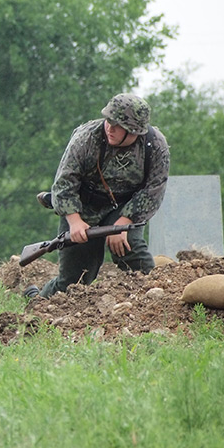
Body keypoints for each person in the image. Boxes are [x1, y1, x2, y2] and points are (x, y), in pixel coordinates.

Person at [29, 93, 169, 298]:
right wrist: (75, 222)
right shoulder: (86, 138)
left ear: (135, 131)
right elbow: (64, 184)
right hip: (83, 207)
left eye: (118, 124)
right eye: (108, 120)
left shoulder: (155, 146)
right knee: (73, 282)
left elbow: (154, 190)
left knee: (135, 256)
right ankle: (37, 301)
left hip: (124, 208)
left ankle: (154, 305)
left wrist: (122, 224)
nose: (110, 127)